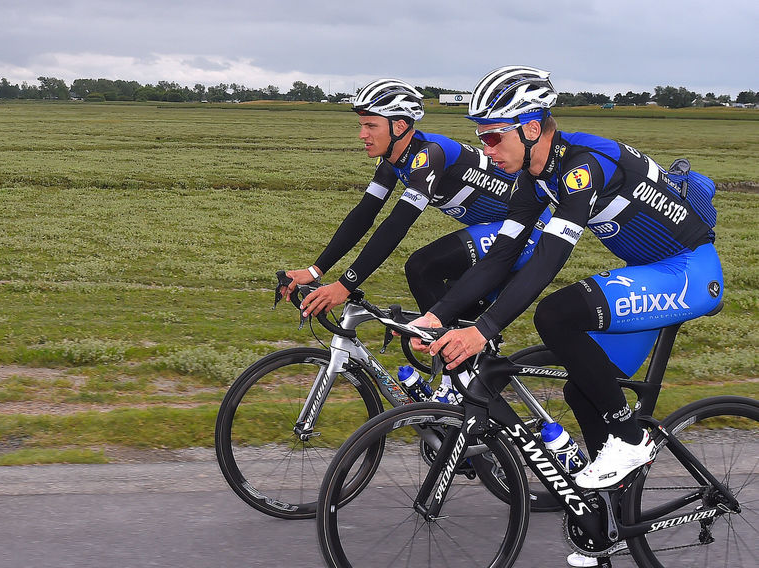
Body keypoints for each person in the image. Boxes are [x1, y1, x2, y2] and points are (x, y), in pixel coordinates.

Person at [409, 66, 724, 566]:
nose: (485, 150)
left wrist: (485, 328)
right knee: (583, 385)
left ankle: (630, 438)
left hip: (689, 271)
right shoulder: (534, 178)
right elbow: (500, 257)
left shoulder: (582, 166)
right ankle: (607, 518)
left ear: (531, 128)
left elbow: (549, 259)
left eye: (492, 136)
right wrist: (438, 317)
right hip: (654, 270)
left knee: (558, 314)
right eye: (481, 138)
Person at [280, 78, 549, 401]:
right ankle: (466, 385)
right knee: (441, 295)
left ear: (400, 126)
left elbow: (396, 225)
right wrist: (315, 271)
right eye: (361, 125)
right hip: (500, 229)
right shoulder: (393, 163)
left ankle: (454, 385)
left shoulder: (430, 155)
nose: (362, 134)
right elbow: (364, 215)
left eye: (370, 125)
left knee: (424, 266)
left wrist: (345, 285)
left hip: (529, 230)